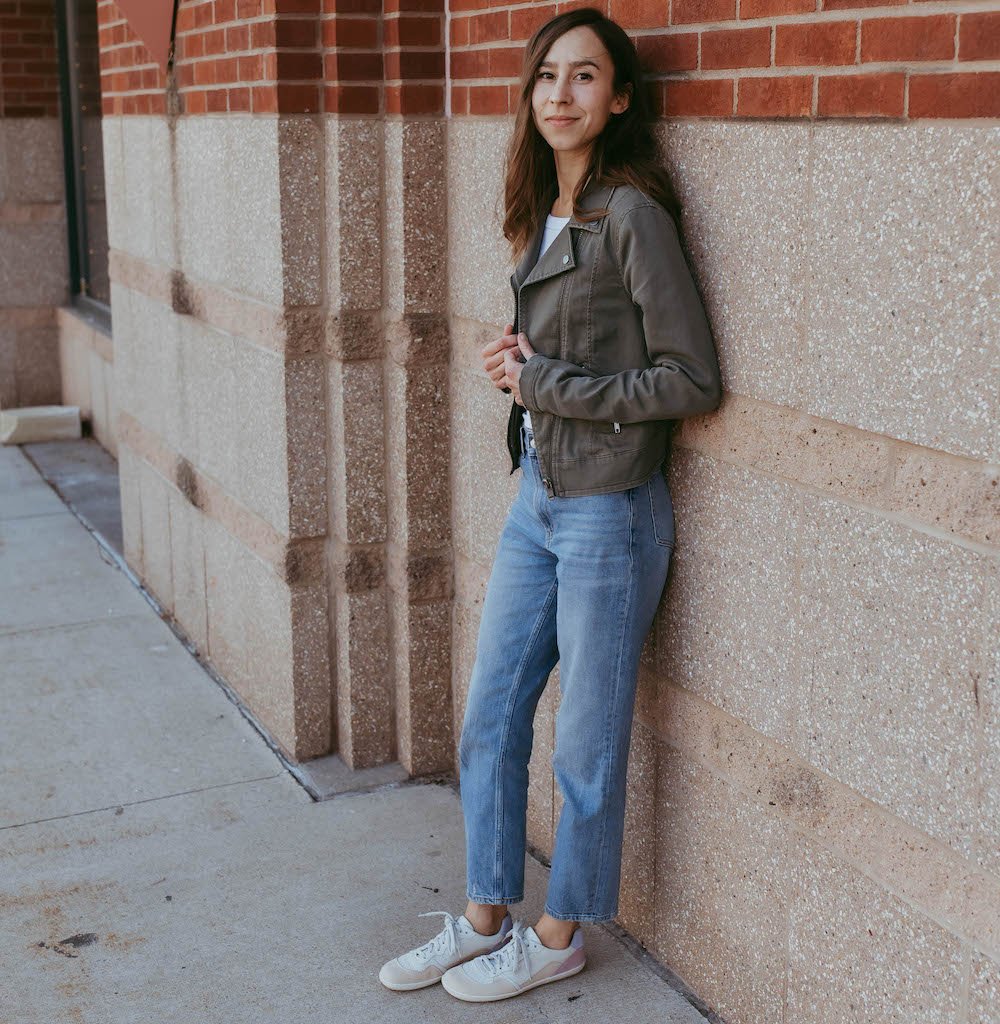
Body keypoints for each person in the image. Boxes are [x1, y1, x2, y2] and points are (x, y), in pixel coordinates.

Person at [380, 7, 722, 1002]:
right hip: (539, 493)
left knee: (586, 738)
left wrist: (550, 384)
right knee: (488, 713)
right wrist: (516, 366)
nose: (560, 96)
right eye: (546, 78)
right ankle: (486, 914)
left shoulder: (632, 211)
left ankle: (561, 929)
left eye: (584, 78)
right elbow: (568, 356)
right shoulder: (550, 210)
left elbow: (690, 378)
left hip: (609, 508)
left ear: (618, 98)